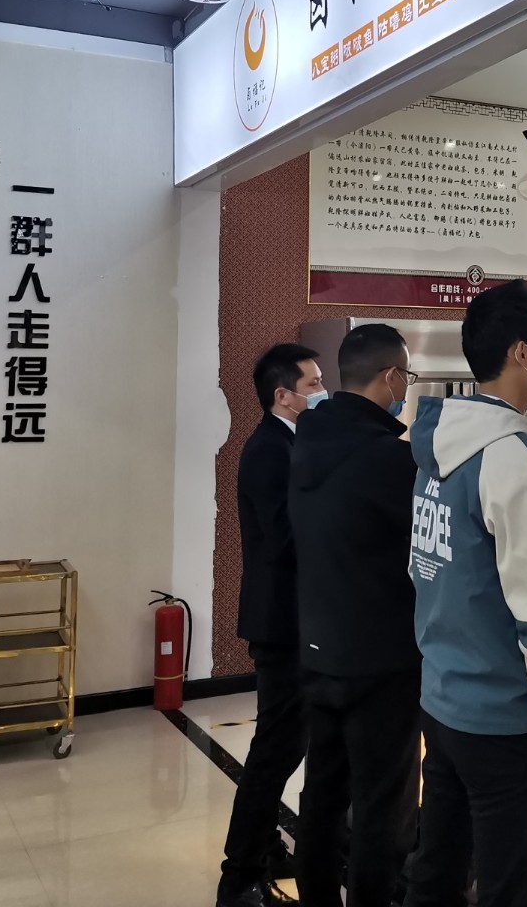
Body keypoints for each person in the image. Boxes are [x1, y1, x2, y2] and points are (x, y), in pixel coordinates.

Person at [403, 280, 527, 907]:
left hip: (444, 701)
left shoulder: (436, 450)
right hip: (508, 722)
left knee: (437, 874)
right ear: (520, 354)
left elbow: (425, 570)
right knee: (511, 889)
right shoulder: (513, 459)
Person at [289, 324, 424, 907]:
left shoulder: (306, 442)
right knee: (381, 806)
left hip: (318, 647)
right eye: (406, 376)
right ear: (391, 377)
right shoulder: (387, 459)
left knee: (323, 792)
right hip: (381, 659)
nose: (406, 387)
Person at [218, 342, 326, 907]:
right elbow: (284, 538)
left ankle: (263, 845)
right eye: (313, 384)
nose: (322, 391)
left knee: (285, 744)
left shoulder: (289, 442)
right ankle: (239, 876)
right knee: (275, 750)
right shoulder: (268, 450)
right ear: (283, 395)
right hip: (281, 622)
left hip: (292, 618)